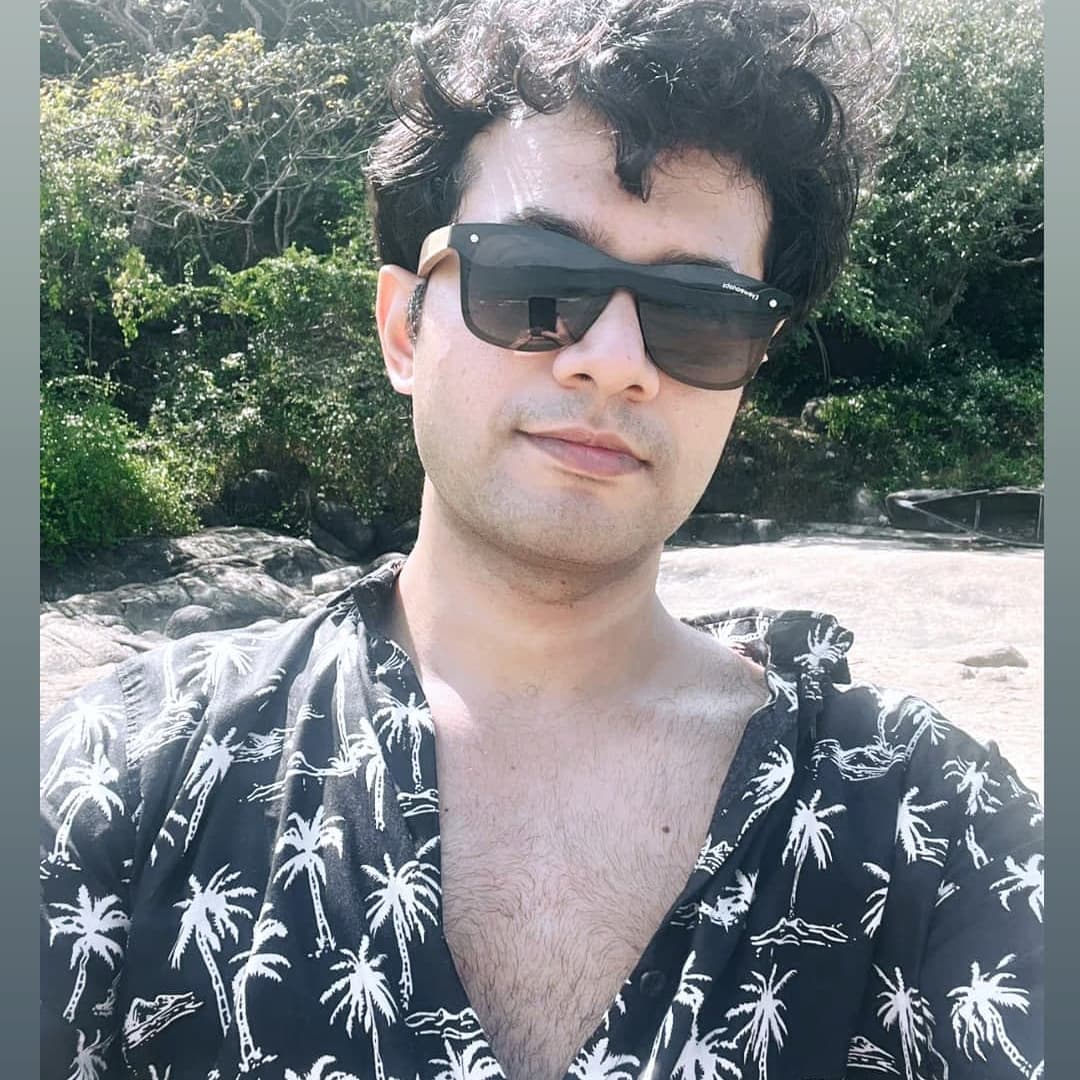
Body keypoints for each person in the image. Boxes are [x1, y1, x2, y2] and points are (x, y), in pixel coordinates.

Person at [40, 1, 1044, 1078]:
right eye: (536, 281)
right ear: (402, 330)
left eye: (701, 313)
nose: (613, 360)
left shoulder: (933, 823)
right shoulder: (129, 771)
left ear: (749, 373)